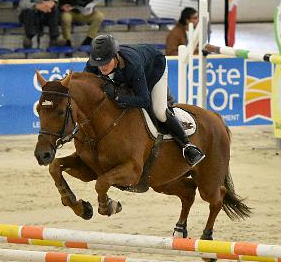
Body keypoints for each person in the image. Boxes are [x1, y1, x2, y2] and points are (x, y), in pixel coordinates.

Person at [86, 34, 205, 167]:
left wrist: (118, 97)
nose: (102, 67)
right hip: (129, 74)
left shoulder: (132, 65)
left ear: (115, 56)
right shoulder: (94, 64)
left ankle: (187, 146)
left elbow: (144, 100)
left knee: (158, 111)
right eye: (99, 63)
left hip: (154, 68)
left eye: (106, 61)